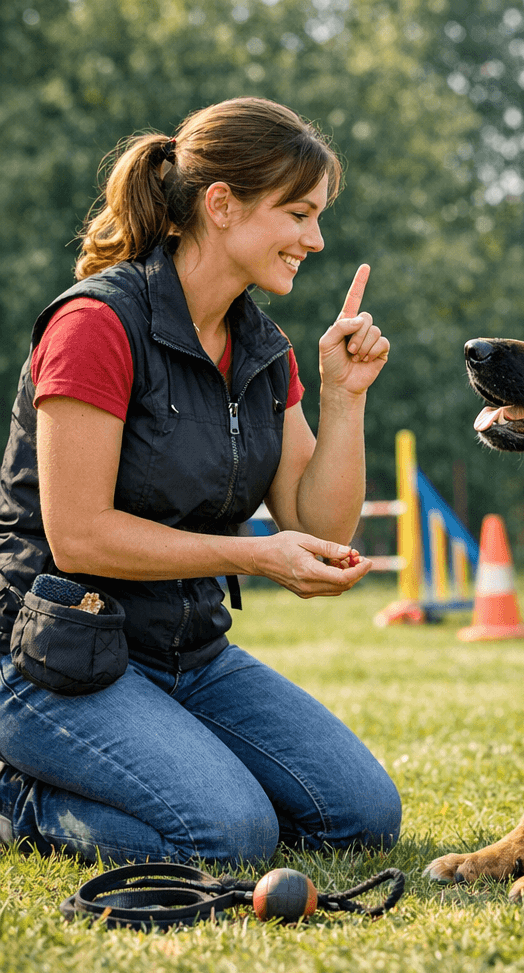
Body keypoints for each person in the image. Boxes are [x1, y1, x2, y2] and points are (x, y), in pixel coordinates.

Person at [0, 97, 402, 864]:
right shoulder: (97, 326)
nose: (314, 239)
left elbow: (320, 529)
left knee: (361, 817)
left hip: (188, 654)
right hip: (50, 650)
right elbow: (78, 534)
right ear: (221, 205)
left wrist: (343, 396)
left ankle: (171, 767)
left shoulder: (261, 348)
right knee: (228, 833)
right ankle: (20, 798)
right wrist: (251, 554)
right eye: (298, 213)